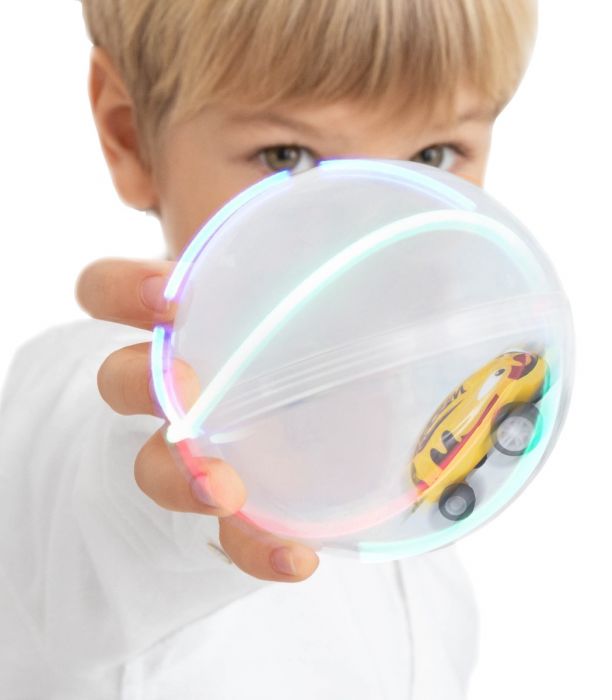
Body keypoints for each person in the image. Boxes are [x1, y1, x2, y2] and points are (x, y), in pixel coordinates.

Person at [0, 1, 537, 697]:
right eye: (289, 157)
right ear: (130, 137)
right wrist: (181, 483)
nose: (375, 228)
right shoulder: (91, 385)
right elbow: (95, 509)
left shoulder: (429, 428)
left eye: (432, 156)